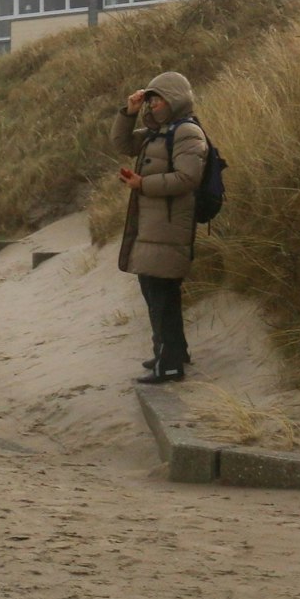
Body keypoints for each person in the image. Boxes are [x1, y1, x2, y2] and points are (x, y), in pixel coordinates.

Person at [112, 70, 207, 385]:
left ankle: (169, 366)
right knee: (155, 292)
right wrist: (129, 111)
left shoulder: (186, 132)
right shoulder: (159, 132)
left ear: (175, 101)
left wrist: (143, 183)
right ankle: (171, 352)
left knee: (162, 295)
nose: (152, 106)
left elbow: (188, 178)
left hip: (169, 227)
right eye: (149, 101)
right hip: (152, 226)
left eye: (158, 100)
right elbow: (122, 142)